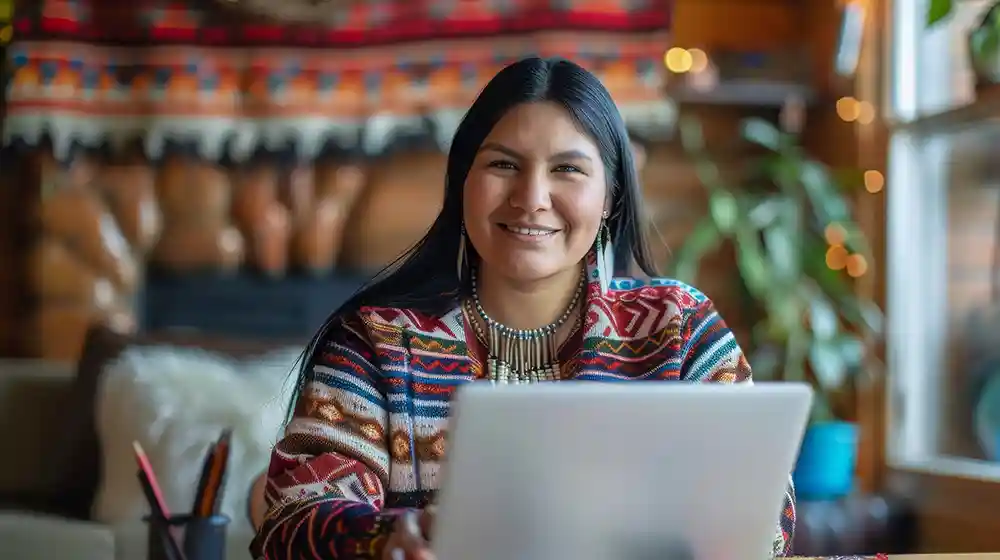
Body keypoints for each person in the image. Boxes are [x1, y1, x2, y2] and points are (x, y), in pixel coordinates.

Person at [250, 56, 796, 560]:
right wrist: (383, 537)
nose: (532, 196)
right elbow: (294, 517)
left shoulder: (677, 328)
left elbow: (766, 520)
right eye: (504, 165)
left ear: (610, 198)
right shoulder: (377, 341)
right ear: (463, 182)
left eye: (567, 169)